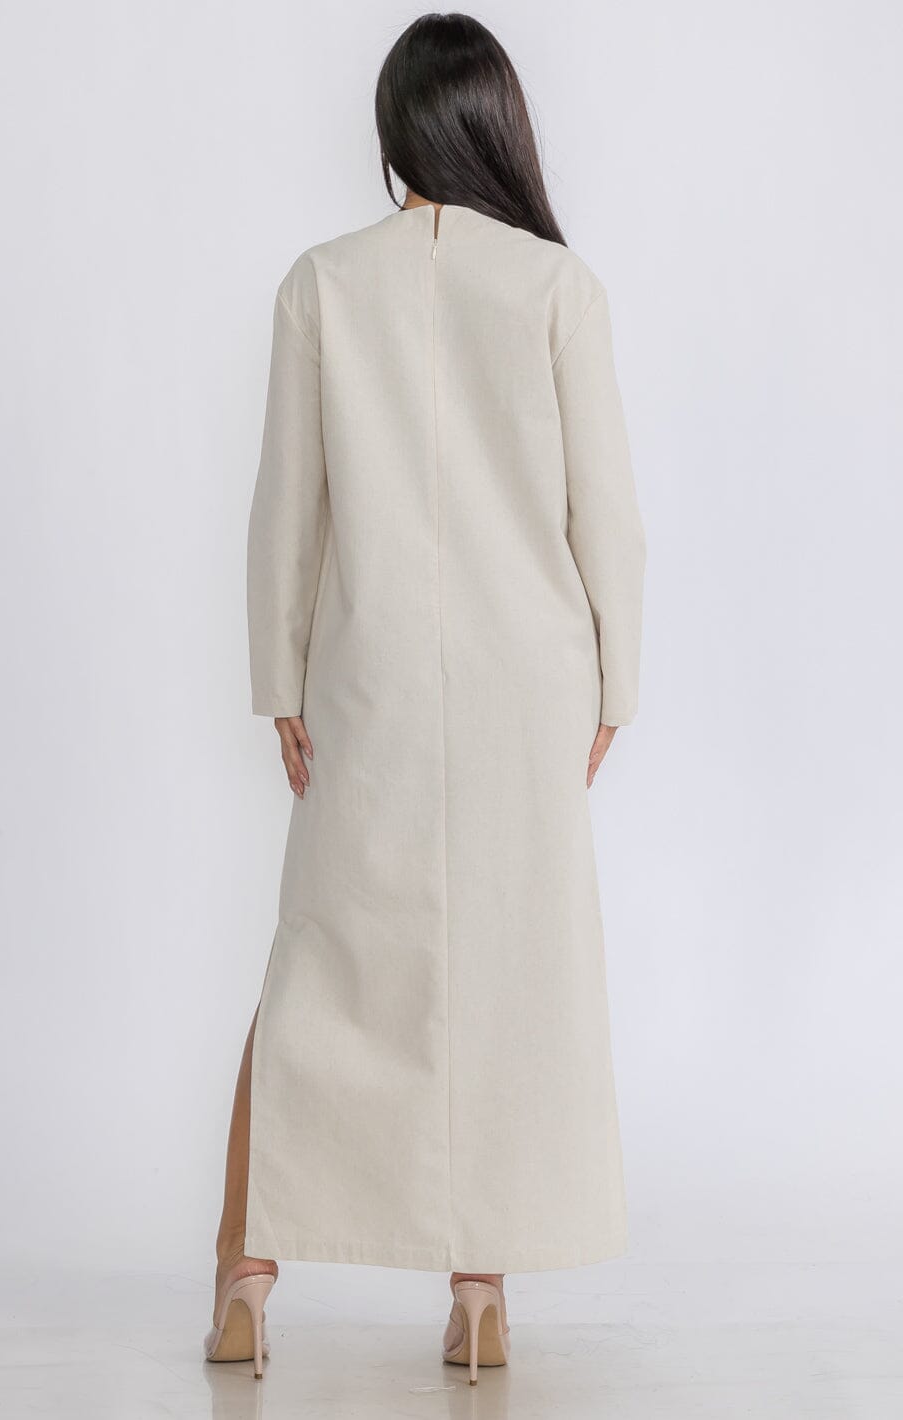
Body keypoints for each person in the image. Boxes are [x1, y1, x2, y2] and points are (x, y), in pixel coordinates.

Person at [204, 11, 646, 1385]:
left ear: (394, 134)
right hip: (530, 682)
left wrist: (279, 674)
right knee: (504, 968)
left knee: (320, 962)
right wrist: (615, 679)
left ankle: (244, 1278)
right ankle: (479, 1296)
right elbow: (606, 515)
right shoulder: (558, 289)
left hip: (372, 670)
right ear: (499, 129)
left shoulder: (324, 285)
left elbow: (289, 503)